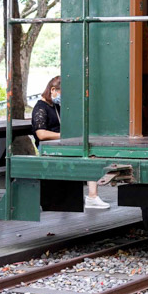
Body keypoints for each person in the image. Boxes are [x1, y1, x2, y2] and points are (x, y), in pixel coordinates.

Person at [32, 75, 110, 210]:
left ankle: (92, 196)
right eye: (62, 93)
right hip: (48, 147)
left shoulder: (56, 106)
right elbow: (41, 134)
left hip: (62, 143)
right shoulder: (40, 108)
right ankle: (91, 196)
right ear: (53, 90)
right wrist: (63, 135)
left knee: (91, 153)